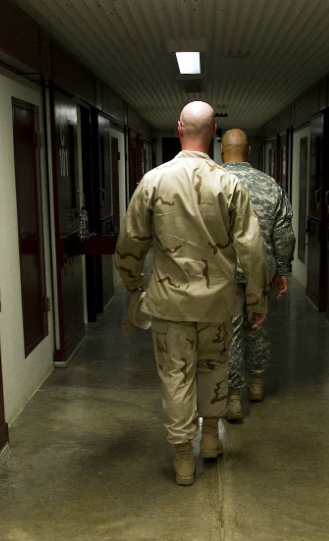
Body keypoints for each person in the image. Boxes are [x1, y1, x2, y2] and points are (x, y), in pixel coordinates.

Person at [114, 101, 270, 486]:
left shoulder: (153, 181)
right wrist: (256, 300)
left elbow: (131, 240)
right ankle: (212, 440)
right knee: (214, 368)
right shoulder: (229, 183)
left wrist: (133, 282)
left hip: (169, 305)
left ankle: (184, 458)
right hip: (218, 303)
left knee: (176, 376)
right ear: (214, 133)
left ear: (179, 127)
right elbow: (252, 248)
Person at [220, 129, 295, 422]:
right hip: (258, 271)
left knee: (229, 332)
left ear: (223, 150)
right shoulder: (269, 184)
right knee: (257, 326)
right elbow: (283, 231)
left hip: (222, 274)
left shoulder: (211, 181)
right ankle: (256, 385)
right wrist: (282, 269)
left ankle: (232, 399)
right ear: (248, 151)